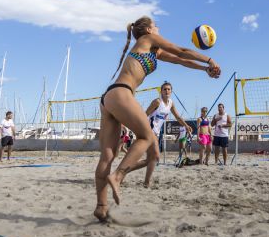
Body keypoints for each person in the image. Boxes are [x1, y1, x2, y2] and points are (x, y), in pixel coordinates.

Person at [94, 16, 220, 222]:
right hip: (122, 93)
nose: (159, 28)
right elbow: (181, 50)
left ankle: (101, 206)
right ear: (148, 30)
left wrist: (204, 69)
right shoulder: (147, 39)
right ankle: (118, 176)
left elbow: (181, 60)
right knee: (146, 137)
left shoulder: (152, 49)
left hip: (109, 97)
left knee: (108, 156)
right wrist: (209, 59)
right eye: (156, 26)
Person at [131, 82, 193, 187]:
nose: (167, 91)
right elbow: (144, 115)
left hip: (156, 132)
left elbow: (177, 117)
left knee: (152, 158)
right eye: (164, 89)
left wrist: (186, 126)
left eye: (169, 89)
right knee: (155, 157)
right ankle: (143, 181)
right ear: (161, 91)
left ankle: (126, 171)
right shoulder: (157, 102)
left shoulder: (171, 103)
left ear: (171, 91)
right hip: (148, 130)